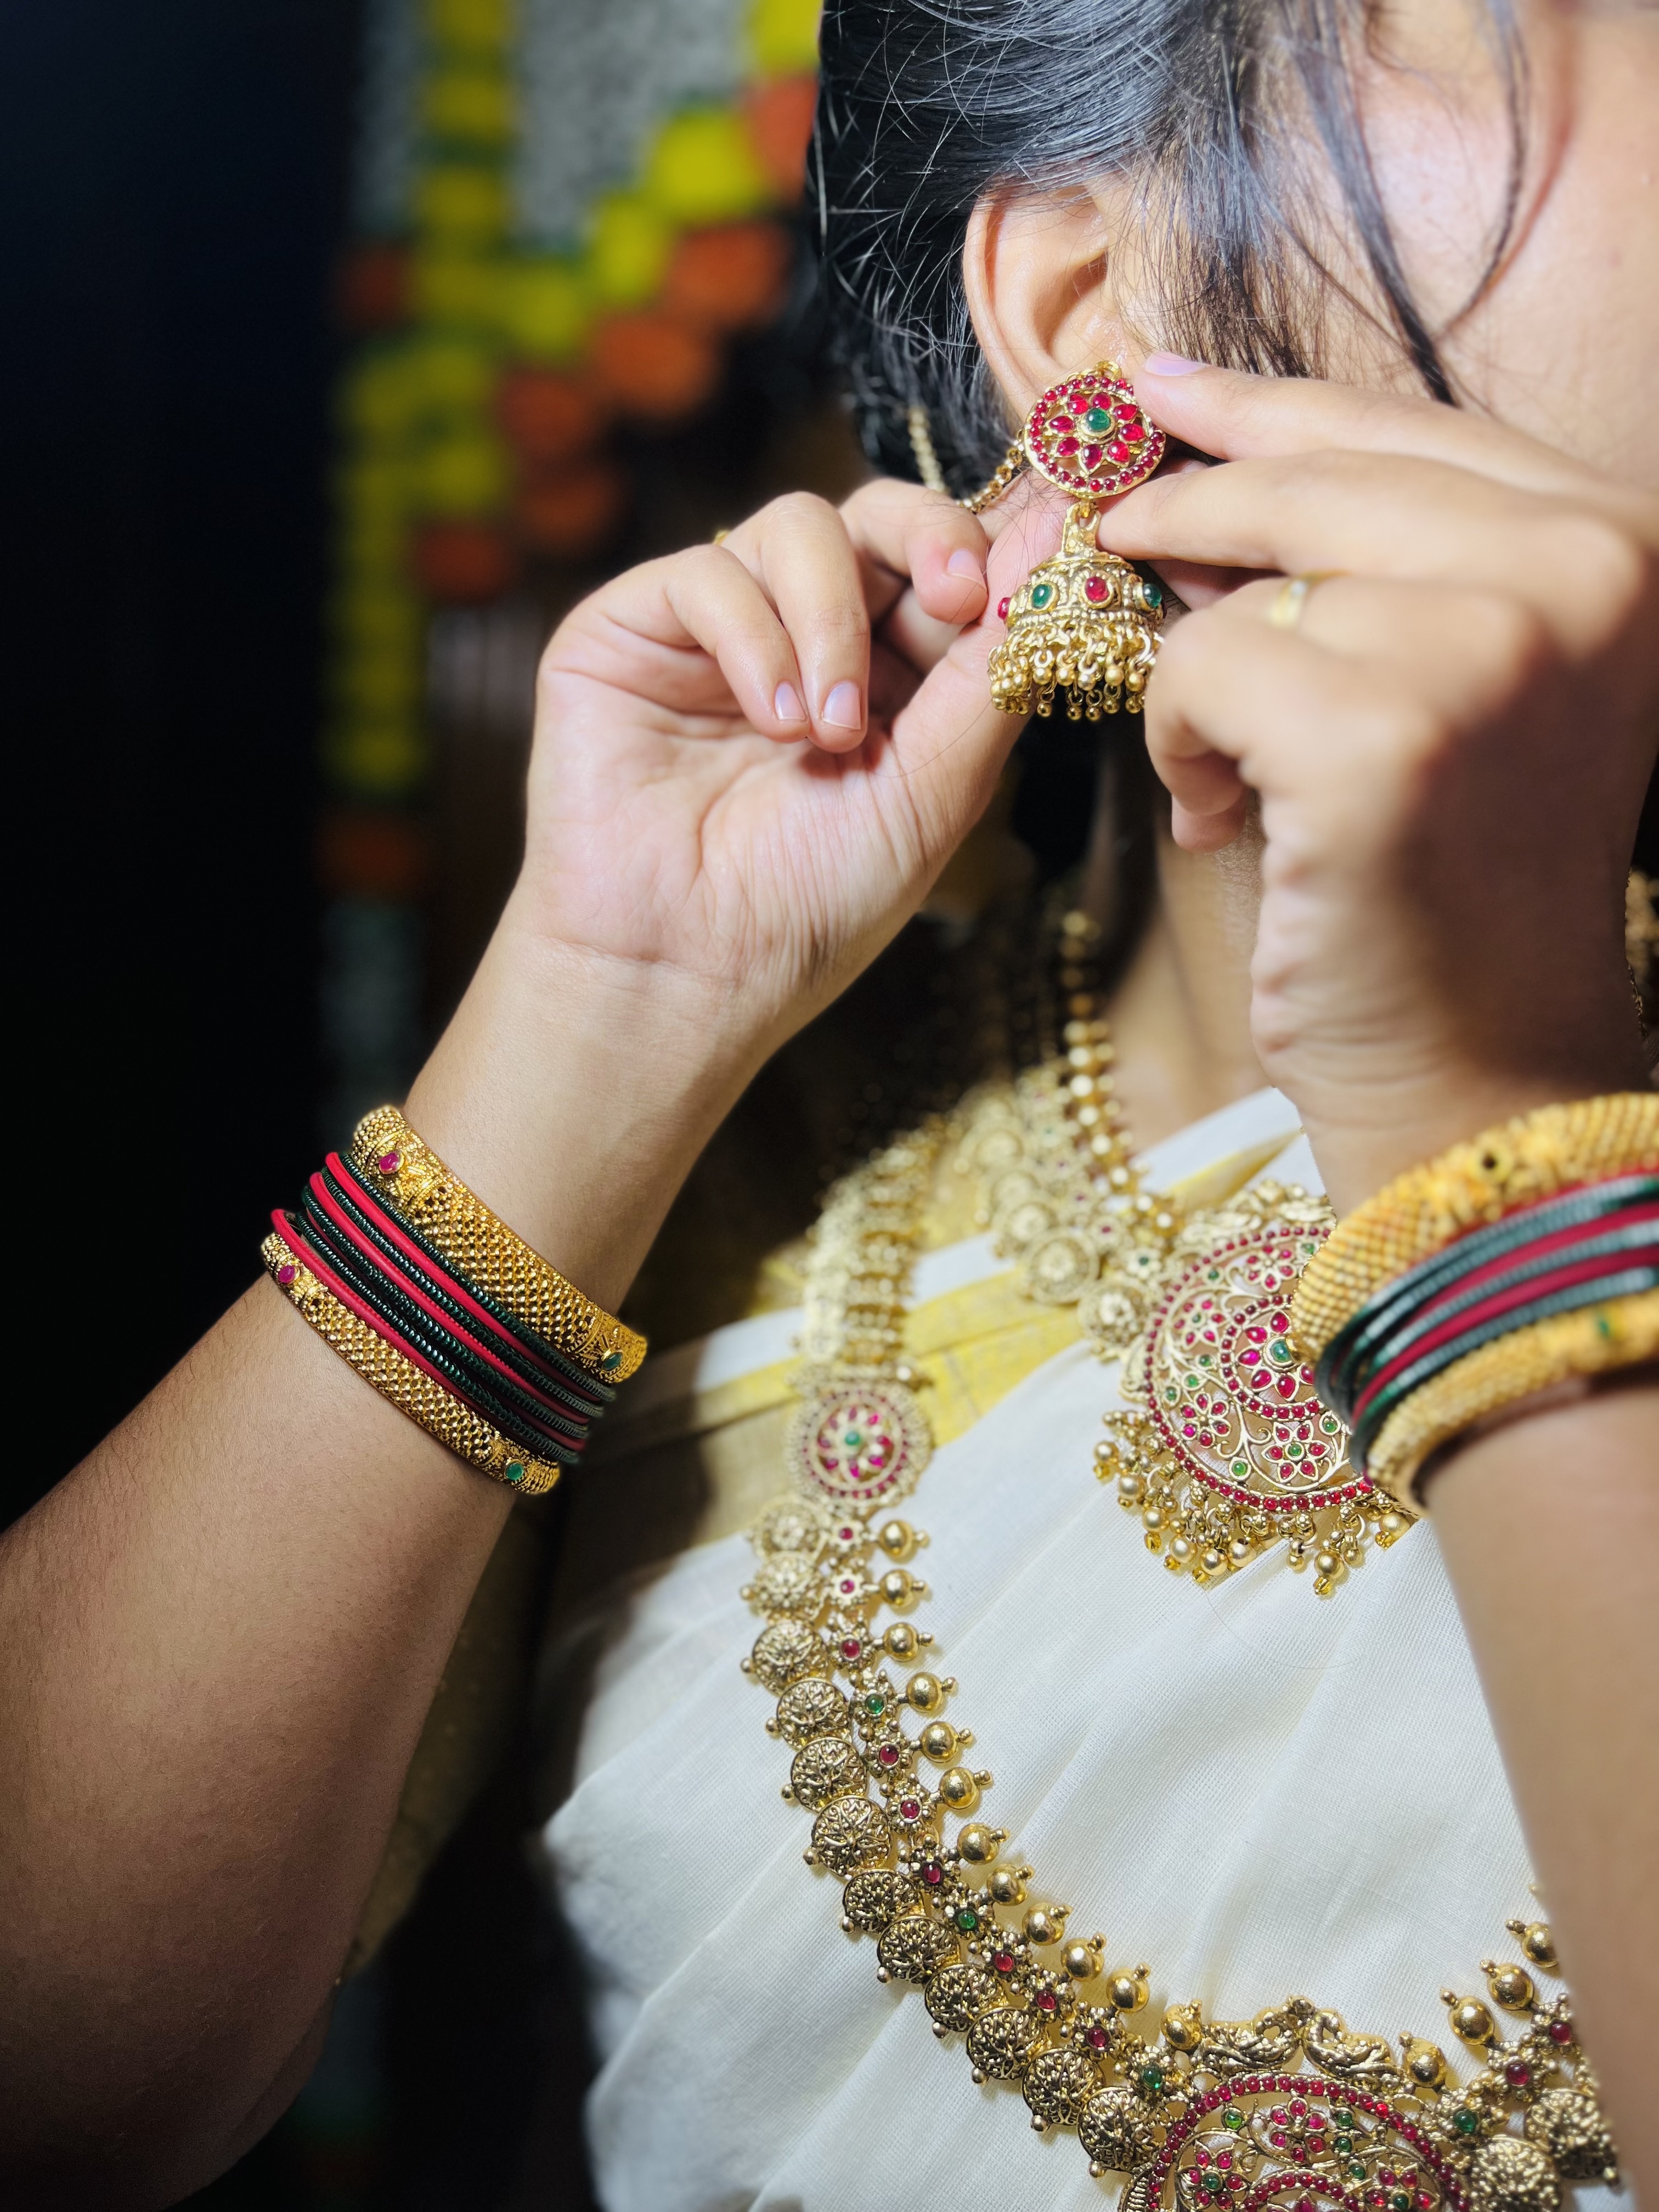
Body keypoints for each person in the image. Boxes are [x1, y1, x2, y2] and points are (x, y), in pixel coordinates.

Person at [3, 0, 1655, 2206]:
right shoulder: (734, 1174)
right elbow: (53, 2076)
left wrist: (1481, 1125)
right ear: (1096, 310)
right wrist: (601, 1012)